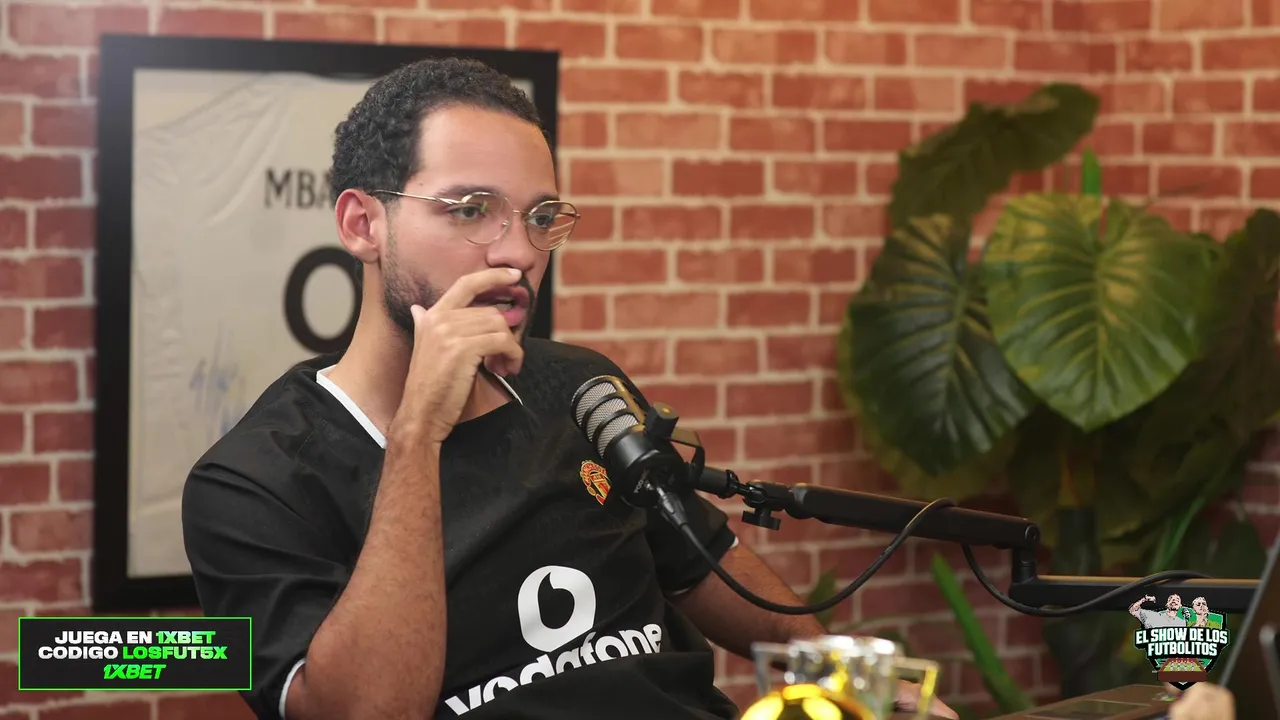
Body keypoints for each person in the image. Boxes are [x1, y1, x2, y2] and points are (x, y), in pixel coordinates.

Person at [180, 57, 959, 720]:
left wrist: (849, 678)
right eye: (472, 210)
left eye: (541, 216)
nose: (519, 252)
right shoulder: (253, 482)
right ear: (362, 225)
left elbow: (706, 563)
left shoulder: (579, 386)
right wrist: (418, 432)